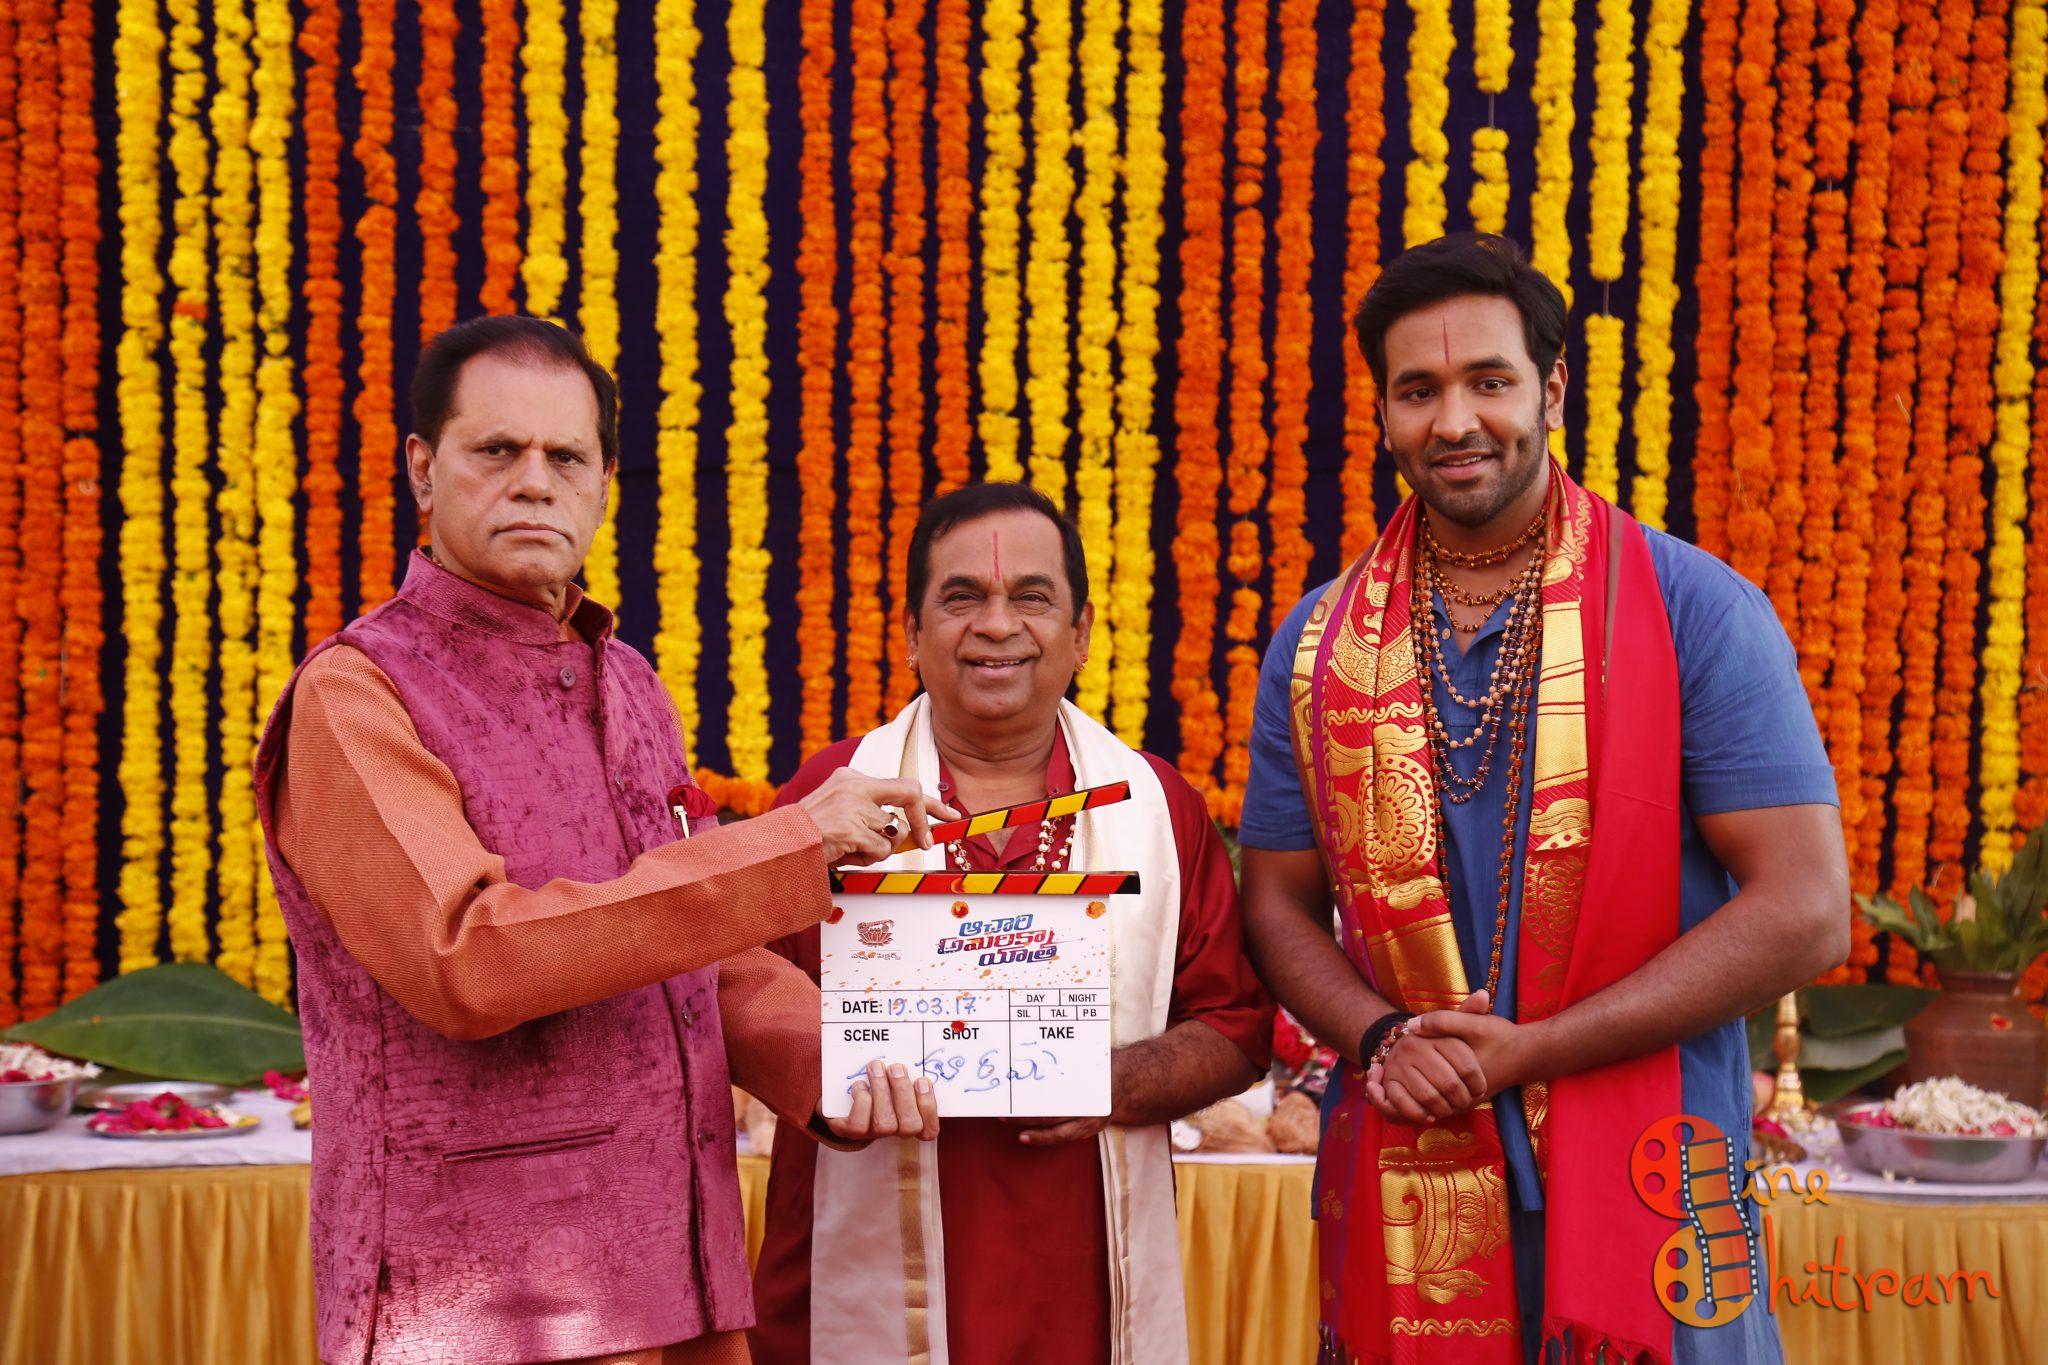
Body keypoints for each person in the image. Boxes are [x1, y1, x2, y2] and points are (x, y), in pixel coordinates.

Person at [254, 316, 955, 1365]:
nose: (535, 483)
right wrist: (787, 849)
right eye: (498, 450)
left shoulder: (625, 681)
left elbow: (701, 958)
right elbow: (466, 959)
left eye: (567, 457)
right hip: (484, 1297)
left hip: (681, 1267)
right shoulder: (357, 695)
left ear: (602, 485)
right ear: (422, 469)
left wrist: (851, 1060)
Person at [1237, 234, 1848, 1364]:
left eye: (1489, 381)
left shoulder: (1693, 609)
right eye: (1417, 390)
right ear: (1382, 414)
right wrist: (1380, 1035)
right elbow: (1274, 901)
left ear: (1551, 390)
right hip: (1408, 1182)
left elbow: (1805, 911)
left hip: (1653, 1189)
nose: (1454, 421)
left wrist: (1530, 1051)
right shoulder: (1318, 643)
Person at [746, 481, 1275, 1365]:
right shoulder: (828, 799)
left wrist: (1112, 1081)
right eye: (963, 597)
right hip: (851, 1293)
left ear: (1082, 631)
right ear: (911, 633)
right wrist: (829, 1068)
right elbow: (735, 992)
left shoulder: (1158, 808)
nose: (997, 625)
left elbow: (1238, 1025)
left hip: (1084, 1303)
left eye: (1031, 596)